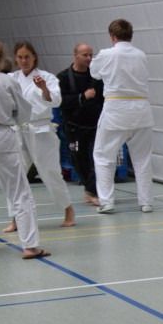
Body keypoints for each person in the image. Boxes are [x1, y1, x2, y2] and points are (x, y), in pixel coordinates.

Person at [0, 38, 50, 259]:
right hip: (0, 138)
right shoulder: (6, 81)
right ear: (0, 58)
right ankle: (30, 246)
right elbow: (23, 113)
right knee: (19, 193)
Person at [5, 42, 75, 230]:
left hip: (41, 129)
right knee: (15, 175)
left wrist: (44, 88)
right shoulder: (11, 78)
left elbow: (56, 101)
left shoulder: (47, 77)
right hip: (18, 130)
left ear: (34, 57)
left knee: (50, 172)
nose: (24, 61)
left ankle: (68, 209)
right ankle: (15, 218)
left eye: (27, 57)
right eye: (20, 57)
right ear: (16, 59)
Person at [89, 18, 154, 214]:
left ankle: (107, 201)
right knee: (142, 159)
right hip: (142, 111)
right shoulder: (141, 55)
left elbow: (94, 73)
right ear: (130, 35)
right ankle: (146, 202)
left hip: (116, 110)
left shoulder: (106, 54)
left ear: (112, 36)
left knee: (103, 156)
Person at [58, 42, 104, 207]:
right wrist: (82, 97)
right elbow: (61, 101)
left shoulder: (96, 77)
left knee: (97, 157)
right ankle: (89, 189)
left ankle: (93, 191)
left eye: (91, 55)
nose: (89, 58)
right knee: (79, 159)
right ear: (75, 55)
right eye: (85, 55)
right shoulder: (63, 77)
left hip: (95, 125)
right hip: (74, 126)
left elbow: (102, 99)